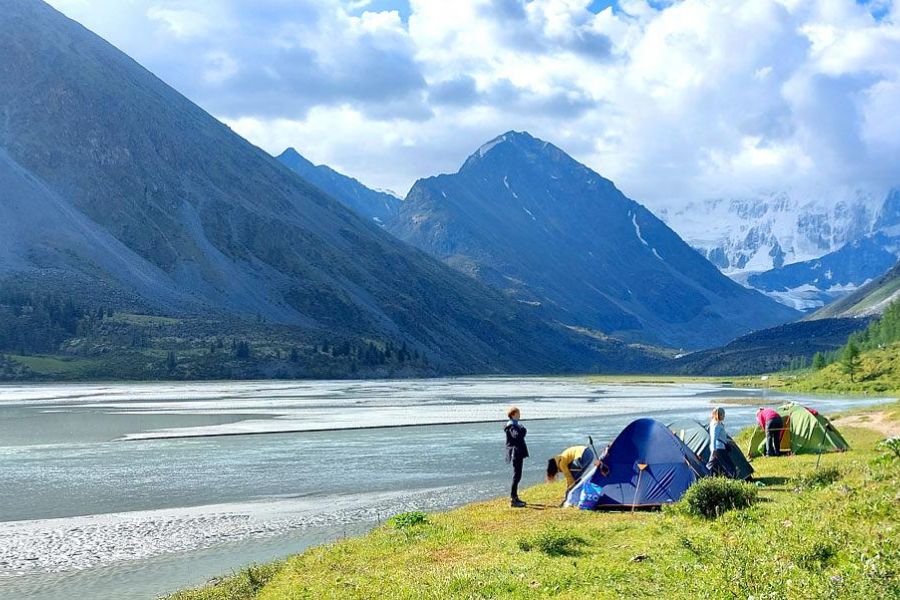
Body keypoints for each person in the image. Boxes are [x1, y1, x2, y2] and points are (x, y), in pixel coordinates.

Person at [504, 406, 529, 508]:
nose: (520, 415)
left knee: (518, 475)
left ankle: (515, 497)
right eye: (518, 413)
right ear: (513, 414)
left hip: (517, 453)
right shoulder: (512, 427)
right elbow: (517, 436)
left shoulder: (514, 425)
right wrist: (522, 429)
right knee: (516, 476)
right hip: (516, 453)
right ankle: (513, 499)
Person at [706, 407, 735, 477]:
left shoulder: (715, 423)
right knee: (730, 466)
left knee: (711, 466)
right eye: (723, 414)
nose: (724, 416)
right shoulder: (716, 425)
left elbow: (719, 437)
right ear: (719, 415)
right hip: (719, 449)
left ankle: (707, 479)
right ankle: (733, 479)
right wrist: (714, 450)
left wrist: (728, 441)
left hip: (718, 448)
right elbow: (714, 437)